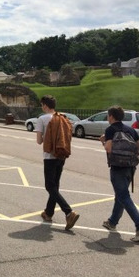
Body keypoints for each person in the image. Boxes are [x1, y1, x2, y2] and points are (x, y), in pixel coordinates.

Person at [36, 95, 79, 230]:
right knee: (55, 185)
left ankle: (68, 212)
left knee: (50, 186)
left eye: (42, 105)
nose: (42, 107)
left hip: (49, 156)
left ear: (45, 106)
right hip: (61, 155)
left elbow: (39, 141)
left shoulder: (42, 119)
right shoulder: (62, 117)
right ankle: (48, 213)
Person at [100, 105, 139, 242]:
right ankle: (112, 222)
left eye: (108, 115)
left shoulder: (110, 130)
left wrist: (104, 141)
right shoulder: (131, 130)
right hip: (130, 167)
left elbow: (109, 148)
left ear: (111, 116)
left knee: (123, 196)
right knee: (121, 195)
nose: (107, 117)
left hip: (118, 168)